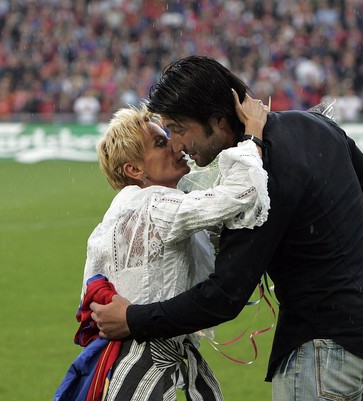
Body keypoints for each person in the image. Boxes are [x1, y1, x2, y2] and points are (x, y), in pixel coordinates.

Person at [90, 55, 363, 401]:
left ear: (217, 121)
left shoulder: (256, 180)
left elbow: (224, 297)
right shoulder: (315, 125)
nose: (177, 143)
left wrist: (133, 319)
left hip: (325, 353)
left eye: (180, 129)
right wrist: (327, 254)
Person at [55, 92, 270, 401]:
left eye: (168, 136)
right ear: (134, 170)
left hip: (126, 358)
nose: (174, 145)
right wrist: (253, 134)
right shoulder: (153, 203)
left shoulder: (125, 211)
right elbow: (242, 193)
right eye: (159, 143)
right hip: (141, 360)